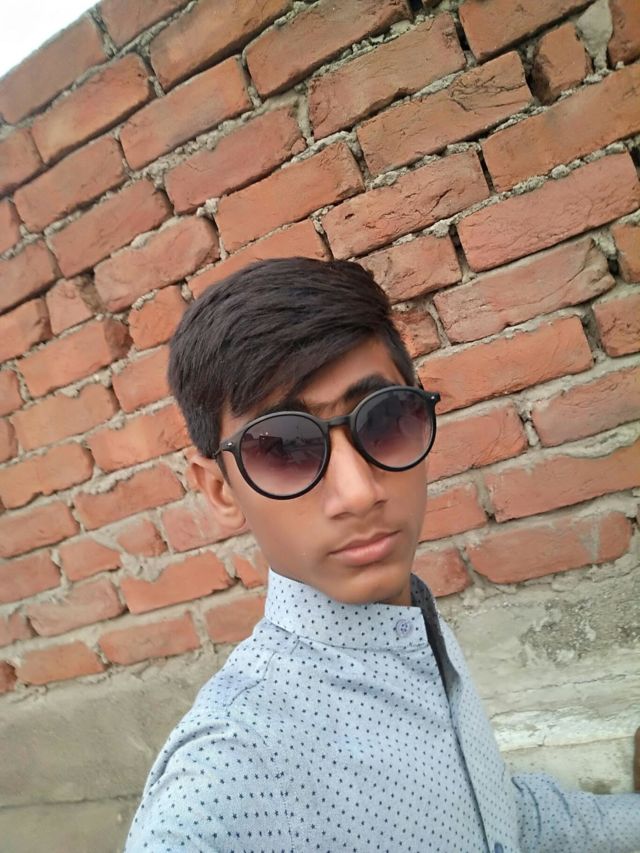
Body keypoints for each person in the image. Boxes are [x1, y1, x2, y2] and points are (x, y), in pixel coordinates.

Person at [124, 257, 639, 852]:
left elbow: (500, 819)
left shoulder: (410, 627)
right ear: (220, 490)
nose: (359, 493)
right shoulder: (231, 772)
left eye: (384, 419)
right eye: (284, 448)